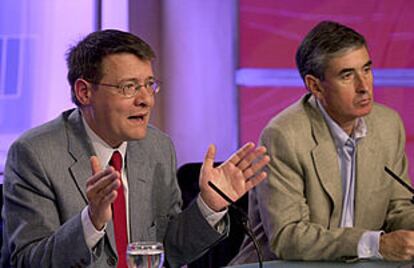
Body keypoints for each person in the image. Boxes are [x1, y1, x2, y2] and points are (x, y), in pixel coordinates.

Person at [0, 29, 270, 268]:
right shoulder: (34, 154)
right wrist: (91, 221)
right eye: (129, 87)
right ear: (84, 92)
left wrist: (209, 206)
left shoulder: (157, 147)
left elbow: (172, 252)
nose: (146, 100)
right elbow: (27, 261)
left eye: (149, 85)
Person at [231, 20, 414, 264]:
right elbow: (288, 237)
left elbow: (398, 209)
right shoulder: (284, 136)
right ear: (315, 86)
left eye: (367, 70)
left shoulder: (388, 125)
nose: (364, 87)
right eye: (347, 76)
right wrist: (375, 244)